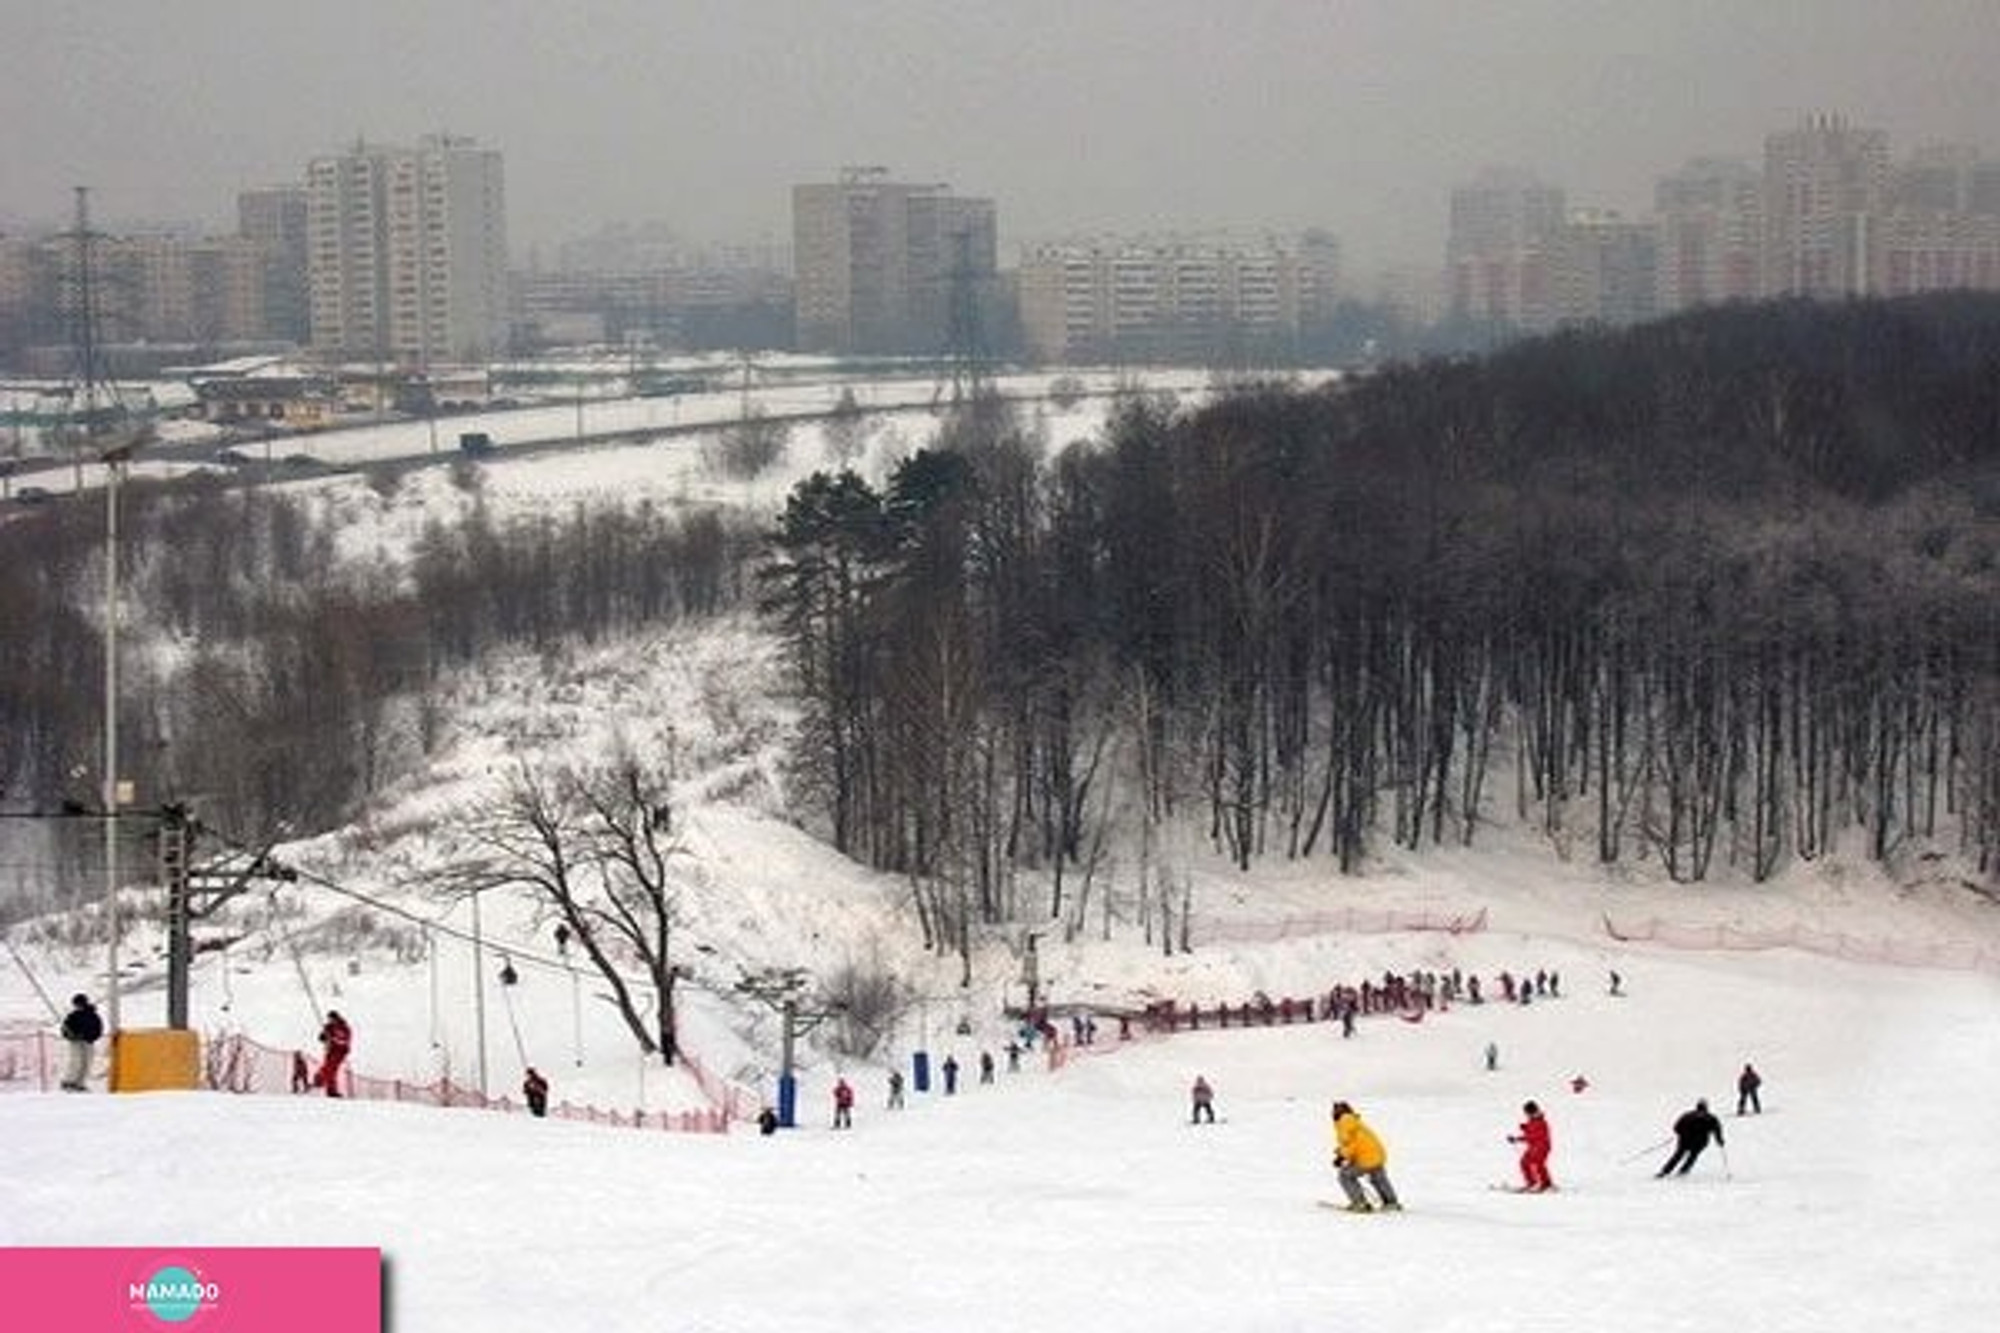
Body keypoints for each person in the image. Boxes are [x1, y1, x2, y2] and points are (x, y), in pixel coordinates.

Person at [1331, 1100, 1401, 1212]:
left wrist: (1340, 1157)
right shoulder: (1355, 1122)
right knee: (1378, 1177)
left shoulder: (1344, 1123)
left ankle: (1360, 1203)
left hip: (1366, 1158)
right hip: (1378, 1154)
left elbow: (1349, 1144)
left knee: (1345, 1176)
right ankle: (1391, 1202)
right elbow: (1357, 1142)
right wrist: (1341, 1152)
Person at [1657, 1098, 1725, 1177]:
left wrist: (1681, 1133)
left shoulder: (1688, 1116)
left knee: (1678, 1155)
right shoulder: (1711, 1118)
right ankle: (1683, 1170)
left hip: (1685, 1141)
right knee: (1693, 1156)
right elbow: (1717, 1130)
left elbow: (1676, 1127)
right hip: (1700, 1142)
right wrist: (1719, 1141)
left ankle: (1665, 1171)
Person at [59, 993, 103, 1092]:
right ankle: (69, 1081)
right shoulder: (73, 1016)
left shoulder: (93, 1015)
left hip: (88, 1042)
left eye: (78, 1004)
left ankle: (80, 1083)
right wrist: (70, 1035)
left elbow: (98, 1029)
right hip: (76, 1042)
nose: (77, 1006)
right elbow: (65, 1029)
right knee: (76, 1061)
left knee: (87, 1063)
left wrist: (91, 1037)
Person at [1508, 1100, 1555, 1191]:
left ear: (1533, 1111)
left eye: (1527, 1113)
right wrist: (1525, 1128)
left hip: (1542, 1147)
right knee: (1524, 1163)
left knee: (1538, 1164)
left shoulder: (1541, 1122)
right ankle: (1531, 1182)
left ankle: (1546, 1184)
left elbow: (1534, 1136)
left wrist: (1518, 1138)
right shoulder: (1532, 1120)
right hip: (1533, 1147)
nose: (1526, 1115)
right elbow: (1531, 1133)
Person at [316, 1010, 352, 1098]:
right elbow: (321, 1037)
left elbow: (344, 1040)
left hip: (340, 1052)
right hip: (330, 1050)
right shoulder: (329, 1027)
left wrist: (333, 1038)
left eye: (332, 1019)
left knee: (331, 1068)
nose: (330, 1021)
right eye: (329, 1019)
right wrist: (323, 1036)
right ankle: (327, 1087)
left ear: (336, 1018)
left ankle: (322, 1082)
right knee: (328, 1067)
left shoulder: (343, 1027)